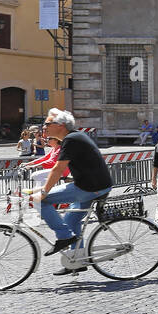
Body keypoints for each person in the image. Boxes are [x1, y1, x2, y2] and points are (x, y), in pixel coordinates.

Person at [31, 108, 113, 274]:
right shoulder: (74, 137)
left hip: (89, 188)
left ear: (60, 125)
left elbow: (58, 169)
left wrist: (43, 192)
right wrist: (43, 188)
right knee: (71, 219)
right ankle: (77, 261)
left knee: (39, 200)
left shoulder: (71, 140)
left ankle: (64, 237)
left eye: (47, 123)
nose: (44, 127)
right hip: (95, 185)